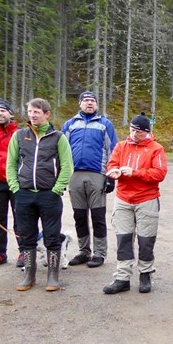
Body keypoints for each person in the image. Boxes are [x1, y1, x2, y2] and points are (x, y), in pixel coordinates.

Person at [6, 98, 74, 292]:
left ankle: (53, 276)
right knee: (27, 236)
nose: (33, 115)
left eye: (37, 111)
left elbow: (67, 166)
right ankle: (29, 275)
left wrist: (56, 189)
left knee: (52, 237)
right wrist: (15, 187)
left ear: (47, 114)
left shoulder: (58, 137)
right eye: (30, 111)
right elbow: (10, 164)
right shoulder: (19, 136)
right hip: (24, 194)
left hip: (49, 195)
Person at [101, 113, 167, 294]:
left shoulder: (156, 149)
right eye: (132, 130)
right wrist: (114, 171)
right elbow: (111, 163)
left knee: (146, 239)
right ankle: (122, 277)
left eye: (138, 132)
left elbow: (159, 174)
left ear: (147, 132)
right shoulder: (121, 146)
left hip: (147, 199)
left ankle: (145, 273)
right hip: (123, 198)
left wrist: (135, 172)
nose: (134, 135)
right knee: (123, 238)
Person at [61, 91, 118, 268]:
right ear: (80, 104)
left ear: (96, 104)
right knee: (79, 216)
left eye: (92, 100)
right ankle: (83, 251)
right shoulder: (70, 125)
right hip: (74, 175)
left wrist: (110, 176)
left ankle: (99, 253)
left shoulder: (105, 124)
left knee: (98, 216)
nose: (89, 103)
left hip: (97, 174)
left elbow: (113, 150)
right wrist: (61, 177)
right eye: (86, 100)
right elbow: (61, 151)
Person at [0, 99, 20, 268]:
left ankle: (24, 251)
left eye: (3, 110)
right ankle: (0, 253)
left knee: (21, 217)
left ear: (10, 114)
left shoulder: (20, 133)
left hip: (17, 182)